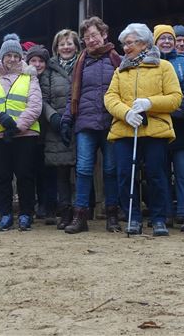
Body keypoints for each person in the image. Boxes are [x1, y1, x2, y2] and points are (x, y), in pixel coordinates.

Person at [105, 23, 182, 236]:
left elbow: (175, 98)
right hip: (125, 130)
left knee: (156, 175)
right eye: (124, 44)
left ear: (144, 43)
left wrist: (150, 103)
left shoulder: (164, 67)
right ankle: (133, 217)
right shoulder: (121, 70)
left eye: (130, 43)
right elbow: (110, 98)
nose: (125, 48)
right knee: (124, 175)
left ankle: (158, 219)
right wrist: (126, 112)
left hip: (155, 131)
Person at [60, 16, 123, 234]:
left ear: (104, 34)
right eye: (87, 37)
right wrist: (67, 119)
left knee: (110, 170)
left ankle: (112, 216)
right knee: (84, 169)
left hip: (111, 122)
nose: (91, 40)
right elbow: (72, 95)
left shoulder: (117, 60)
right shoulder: (81, 61)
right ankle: (80, 217)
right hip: (85, 123)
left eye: (94, 35)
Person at [0, 34, 42, 231]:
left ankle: (25, 214)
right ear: (2, 57)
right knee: (2, 176)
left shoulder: (30, 76)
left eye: (16, 55)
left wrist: (16, 127)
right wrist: (0, 118)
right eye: (8, 56)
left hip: (25, 134)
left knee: (24, 175)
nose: (12, 59)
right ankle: (5, 214)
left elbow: (35, 106)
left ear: (20, 57)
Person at [154, 24, 184, 233]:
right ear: (154, 42)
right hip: (157, 126)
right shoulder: (149, 64)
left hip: (181, 126)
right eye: (161, 38)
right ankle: (164, 214)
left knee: (183, 170)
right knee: (160, 171)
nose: (166, 42)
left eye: (169, 38)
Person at [40, 29, 79, 229]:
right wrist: (54, 118)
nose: (66, 47)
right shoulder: (49, 71)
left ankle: (81, 212)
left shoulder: (83, 64)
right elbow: (43, 99)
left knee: (82, 170)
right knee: (62, 173)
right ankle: (65, 212)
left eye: (69, 43)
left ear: (76, 46)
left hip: (79, 124)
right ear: (56, 48)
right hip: (57, 127)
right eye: (62, 44)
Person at [26, 44, 56, 224]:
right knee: (33, 170)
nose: (37, 64)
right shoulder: (23, 79)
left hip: (50, 130)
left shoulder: (52, 78)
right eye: (33, 61)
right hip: (30, 130)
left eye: (41, 61)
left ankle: (50, 206)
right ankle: (38, 205)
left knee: (50, 171)